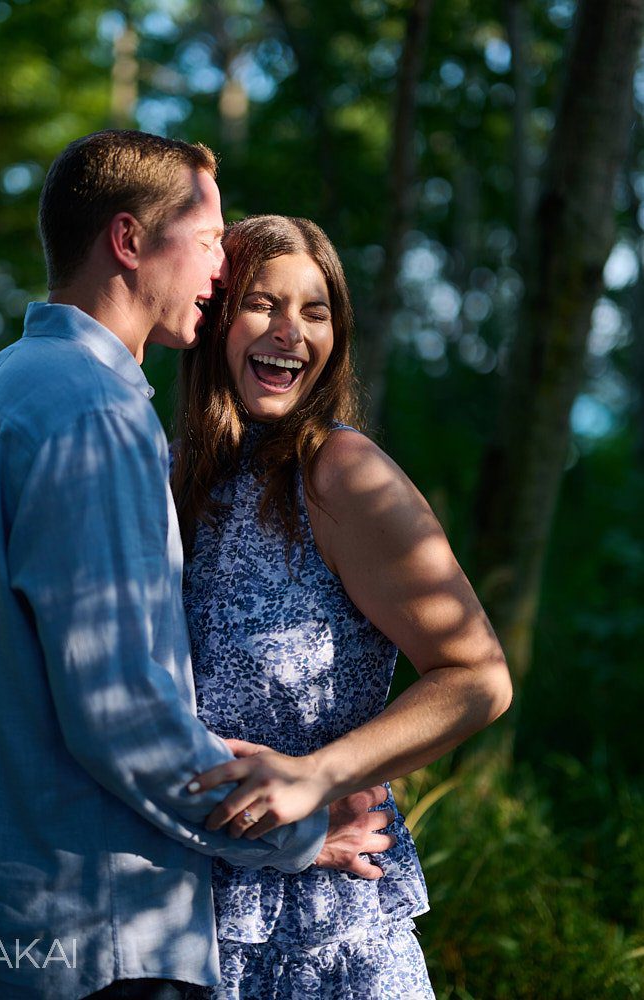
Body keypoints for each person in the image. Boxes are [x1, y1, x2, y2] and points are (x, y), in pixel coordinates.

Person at [0, 134, 395, 1000]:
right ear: (128, 242)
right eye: (207, 243)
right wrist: (301, 835)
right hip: (87, 940)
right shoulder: (96, 414)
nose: (217, 274)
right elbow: (120, 714)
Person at [171, 215, 513, 999]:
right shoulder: (170, 476)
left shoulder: (338, 471)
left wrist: (314, 778)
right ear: (214, 313)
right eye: (262, 303)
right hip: (184, 907)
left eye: (315, 311)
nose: (289, 332)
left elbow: (477, 677)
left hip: (325, 935)